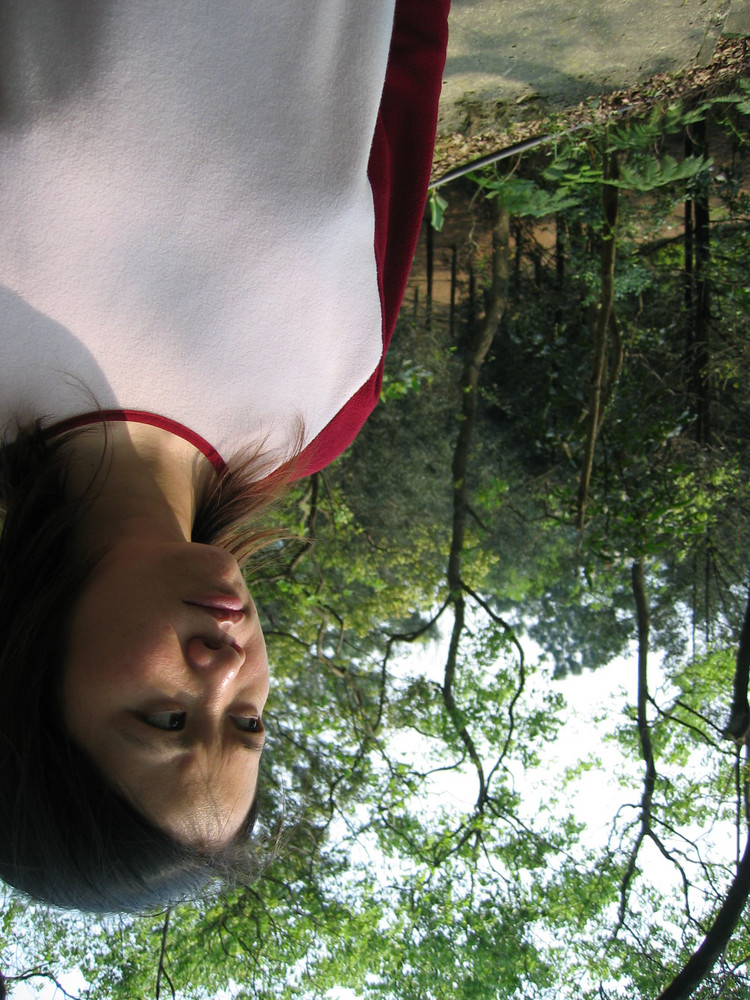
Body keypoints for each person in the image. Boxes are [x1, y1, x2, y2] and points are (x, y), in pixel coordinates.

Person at [0, 0, 450, 912]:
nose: (223, 667)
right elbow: (402, 63)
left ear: (30, 685)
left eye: (167, 717)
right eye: (246, 721)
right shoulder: (320, 410)